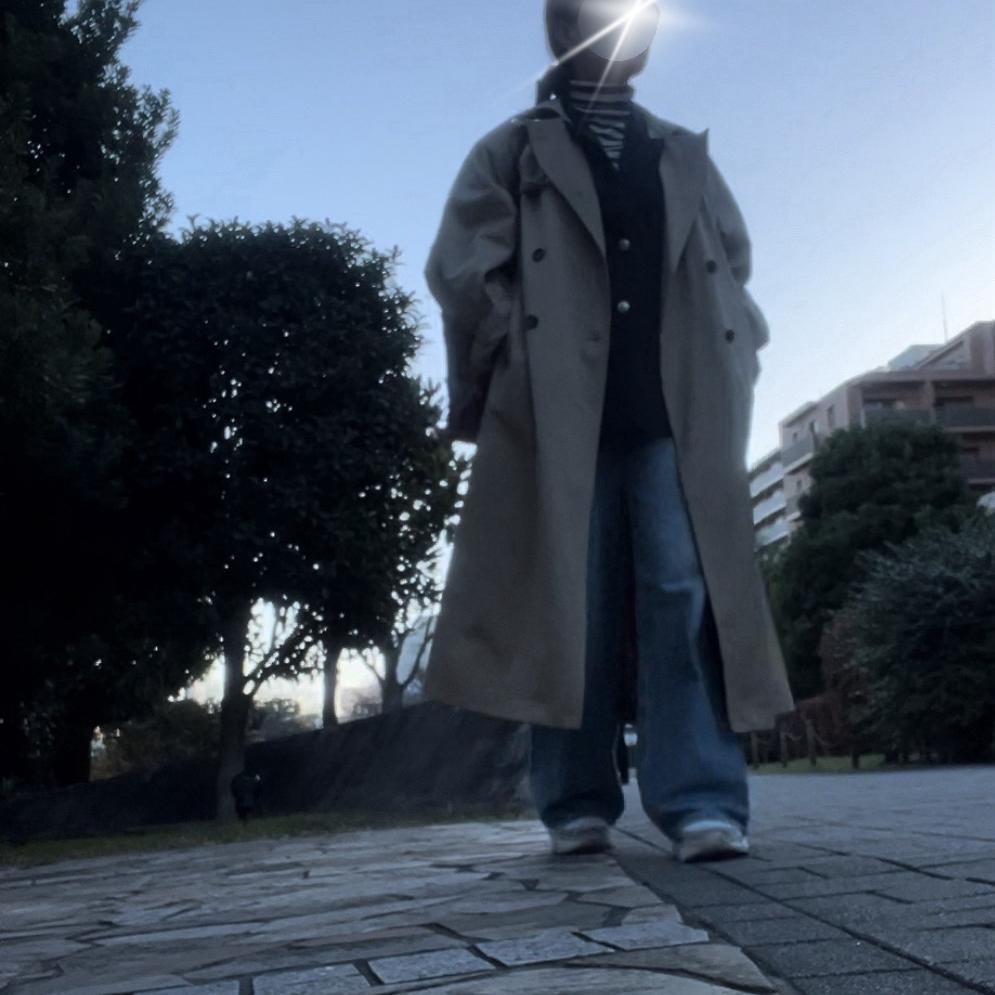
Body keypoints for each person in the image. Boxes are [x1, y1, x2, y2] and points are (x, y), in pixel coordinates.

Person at [423, 0, 794, 861]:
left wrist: (737, 348)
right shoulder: (512, 148)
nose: (626, 29)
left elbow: (730, 264)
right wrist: (515, 356)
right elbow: (463, 268)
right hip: (558, 409)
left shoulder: (680, 150)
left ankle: (700, 799)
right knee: (568, 598)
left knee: (680, 591)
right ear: (565, 29)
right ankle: (574, 797)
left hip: (674, 406)